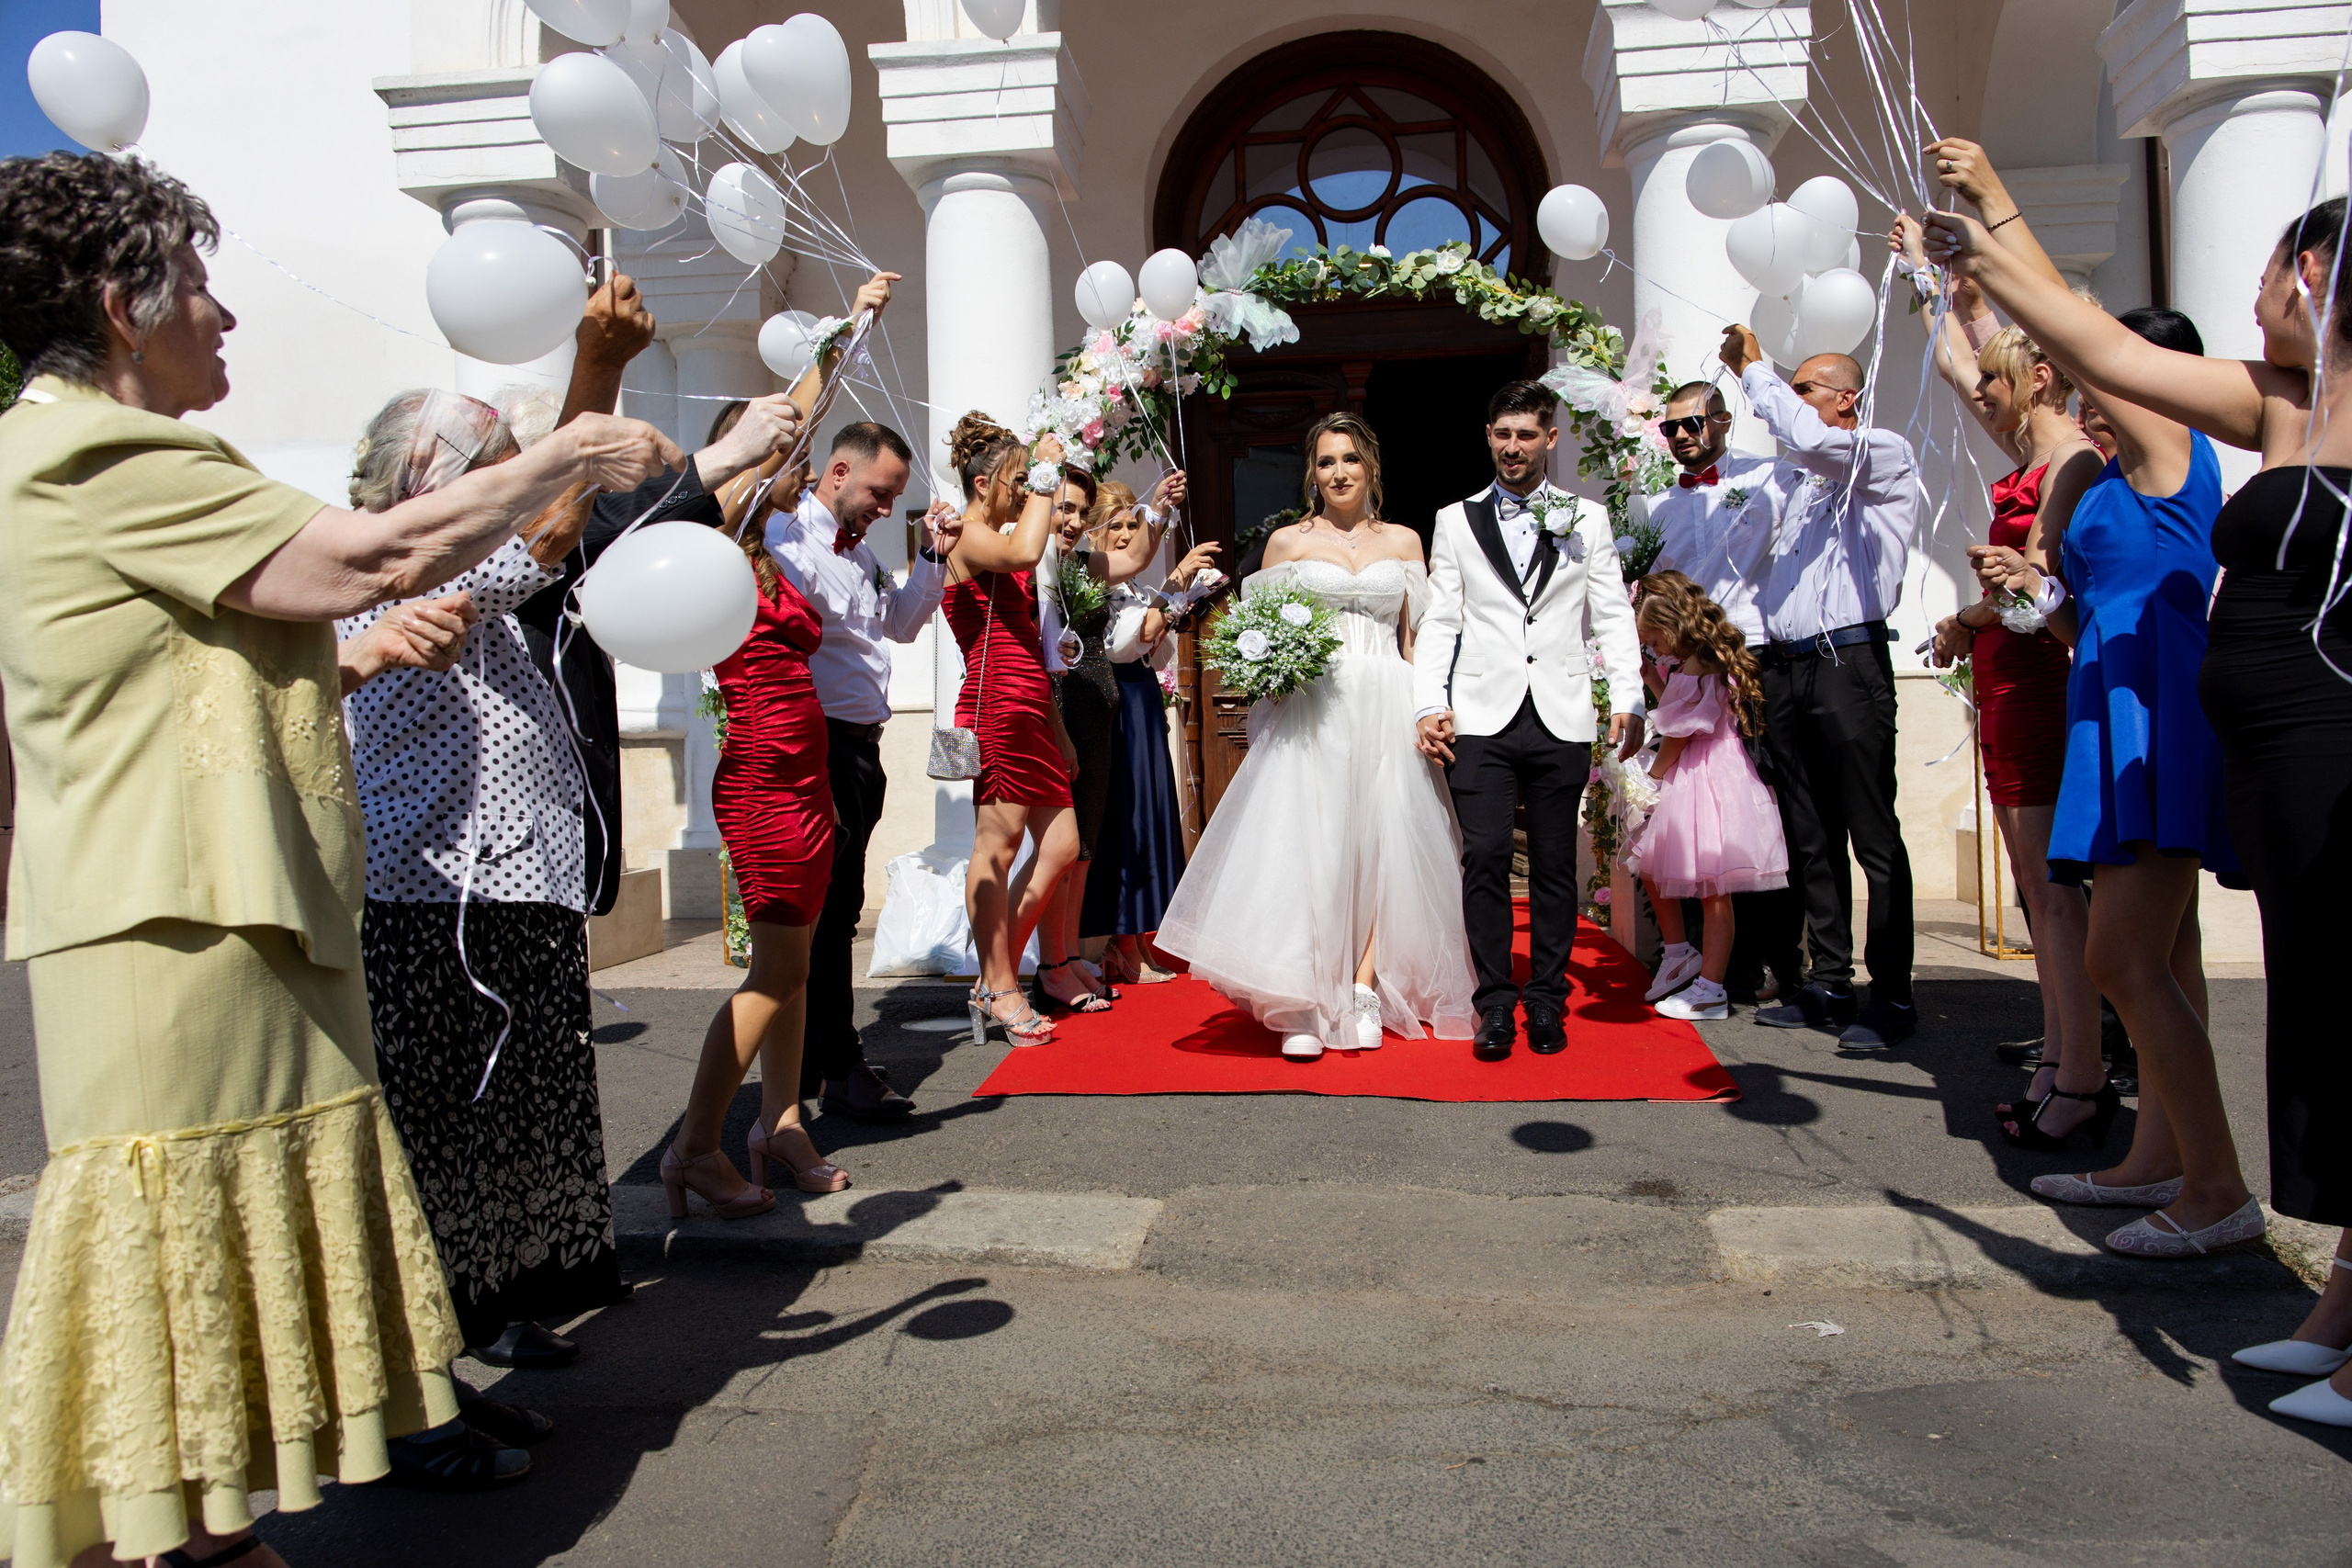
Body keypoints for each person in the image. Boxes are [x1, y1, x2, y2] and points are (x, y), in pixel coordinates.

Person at [0, 150, 676, 1567]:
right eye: (195, 285)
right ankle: (172, 1532)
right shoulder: (100, 450)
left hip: (221, 903)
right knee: (179, 1234)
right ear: (123, 306)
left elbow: (239, 637)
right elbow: (366, 559)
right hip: (176, 914)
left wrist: (353, 645)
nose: (223, 317)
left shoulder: (77, 456)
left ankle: (199, 1531)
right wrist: (561, 449)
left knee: (225, 1243)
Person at [1929, 197, 2352, 1376]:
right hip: (2104, 698)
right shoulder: (2099, 485)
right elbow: (2069, 613)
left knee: (2119, 957)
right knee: (2152, 960)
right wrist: (2020, 592)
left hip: (2160, 719)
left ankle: (2211, 1181)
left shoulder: (2172, 449)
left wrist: (1990, 236)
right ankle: (2164, 1161)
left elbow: (2083, 345)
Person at [1162, 412, 1477, 1059]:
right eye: (1327, 461)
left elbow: (1416, 641)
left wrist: (1430, 708)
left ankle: (1362, 986)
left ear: (1372, 469)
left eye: (1350, 460)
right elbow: (1258, 633)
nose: (1339, 472)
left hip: (1388, 701)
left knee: (1380, 845)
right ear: (1312, 472)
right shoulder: (1285, 544)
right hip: (1315, 706)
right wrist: (1272, 672)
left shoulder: (1407, 543)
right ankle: (1304, 996)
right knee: (1312, 845)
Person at [1894, 213, 2107, 1143]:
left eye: (1996, 379)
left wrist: (1973, 611)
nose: (1979, 393)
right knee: (2033, 881)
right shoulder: (2028, 455)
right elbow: (1954, 365)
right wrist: (1933, 288)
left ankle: (2078, 1069)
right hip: (2008, 676)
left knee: (2053, 886)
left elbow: (2038, 584)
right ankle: (2062, 1046)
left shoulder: (2066, 461)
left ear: (2038, 377)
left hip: (2039, 676)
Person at [1412, 382, 1643, 1062]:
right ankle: (1494, 1003)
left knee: (1551, 864)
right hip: (1479, 713)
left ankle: (1545, 998)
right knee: (1482, 855)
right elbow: (1441, 620)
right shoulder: (1454, 520)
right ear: (1488, 435)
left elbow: (1612, 615)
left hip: (1560, 711)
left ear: (1550, 439)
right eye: (1502, 433)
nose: (1513, 446)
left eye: (1526, 434)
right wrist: (1430, 701)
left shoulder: (1587, 518)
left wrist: (1625, 693)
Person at [1716, 324, 1923, 1048]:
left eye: (1804, 389)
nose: (1789, 404)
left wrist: (1755, 370)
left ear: (1846, 399)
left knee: (1871, 832)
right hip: (1787, 663)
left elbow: (1806, 437)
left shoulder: (1881, 454)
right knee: (1811, 836)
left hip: (1847, 660)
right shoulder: (1797, 482)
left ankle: (1891, 993)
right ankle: (1829, 979)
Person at [766, 392, 945, 1121]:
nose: (885, 506)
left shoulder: (863, 551)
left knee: (837, 911)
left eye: (896, 496)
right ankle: (830, 1066)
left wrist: (930, 555)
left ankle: (817, 1063)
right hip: (816, 742)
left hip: (860, 747)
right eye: (880, 493)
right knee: (819, 914)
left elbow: (901, 627)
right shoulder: (784, 537)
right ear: (837, 470)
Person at [1646, 378, 1797, 1001]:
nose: (1683, 435)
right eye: (1671, 427)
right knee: (1705, 832)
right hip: (1686, 669)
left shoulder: (1771, 479)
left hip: (1754, 657)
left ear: (1724, 421)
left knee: (1765, 817)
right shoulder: (1651, 507)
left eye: (1694, 422)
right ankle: (1719, 970)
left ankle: (1782, 963)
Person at [942, 414, 1081, 1044]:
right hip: (996, 703)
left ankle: (991, 975)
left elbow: (1029, 636)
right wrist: (1050, 471)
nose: (1029, 491)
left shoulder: (995, 533)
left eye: (1033, 480)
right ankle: (1000, 984)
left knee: (1059, 846)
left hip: (1031, 705)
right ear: (982, 483)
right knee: (995, 847)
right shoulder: (968, 536)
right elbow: (1027, 548)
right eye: (1019, 480)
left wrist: (1059, 728)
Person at [1039, 465, 1194, 1009]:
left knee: (1098, 843)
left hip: (1110, 703)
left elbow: (1137, 570)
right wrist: (1172, 591)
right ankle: (1064, 958)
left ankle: (1081, 957)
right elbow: (1129, 639)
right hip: (1073, 703)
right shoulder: (1040, 565)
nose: (1074, 520)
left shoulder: (1092, 568)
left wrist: (1161, 511)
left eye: (1082, 512)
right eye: (1065, 508)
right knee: (1070, 845)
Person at [1622, 572, 1788, 1021]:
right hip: (1694, 768)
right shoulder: (1689, 662)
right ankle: (1679, 953)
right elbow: (1677, 710)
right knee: (1651, 861)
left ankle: (1712, 987)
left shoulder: (1700, 664)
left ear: (1672, 622)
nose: (1653, 648)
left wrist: (1650, 779)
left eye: (1653, 638)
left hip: (1709, 775)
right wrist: (1652, 680)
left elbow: (1679, 733)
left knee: (1714, 886)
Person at [1085, 482, 1222, 983]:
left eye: (1130, 524)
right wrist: (1173, 585)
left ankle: (1139, 939)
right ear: (1094, 532)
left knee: (1147, 814)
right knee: (1125, 820)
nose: (1124, 534)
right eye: (1114, 526)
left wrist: (1180, 599)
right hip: (1114, 705)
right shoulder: (1095, 582)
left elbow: (1154, 651)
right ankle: (1122, 943)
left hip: (1142, 700)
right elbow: (1124, 644)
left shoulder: (1132, 589)